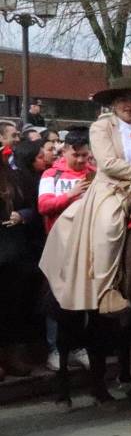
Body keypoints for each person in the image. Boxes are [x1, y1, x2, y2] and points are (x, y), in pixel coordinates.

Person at [40, 77, 131, 315]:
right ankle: (106, 290)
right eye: (123, 100)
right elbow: (108, 164)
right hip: (113, 188)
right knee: (109, 226)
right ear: (114, 104)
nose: (129, 105)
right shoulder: (101, 127)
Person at [37, 128, 96, 371]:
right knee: (56, 301)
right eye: (77, 155)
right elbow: (43, 206)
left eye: (85, 155)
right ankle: (55, 349)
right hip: (58, 246)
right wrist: (70, 196)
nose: (81, 160)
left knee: (84, 299)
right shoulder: (52, 174)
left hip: (88, 246)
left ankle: (78, 347)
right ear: (66, 151)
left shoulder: (94, 174)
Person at [0, 139, 49, 377]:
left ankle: (11, 354)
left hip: (13, 251)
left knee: (12, 307)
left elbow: (33, 207)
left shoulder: (15, 178)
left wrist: (22, 215)